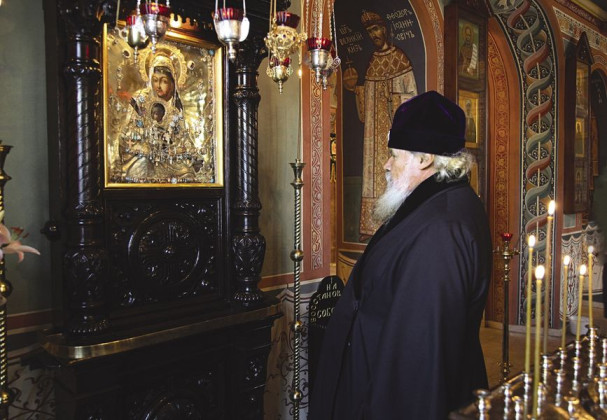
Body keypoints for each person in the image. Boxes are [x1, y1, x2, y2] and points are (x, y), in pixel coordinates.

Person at [309, 91, 492, 420]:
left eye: (394, 155)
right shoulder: (433, 206)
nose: (386, 164)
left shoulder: (441, 231)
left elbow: (419, 362)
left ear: (424, 159)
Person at [345, 10, 418, 240]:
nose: (374, 35)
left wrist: (393, 98)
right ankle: (371, 226)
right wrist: (355, 89)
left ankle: (394, 224)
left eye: (376, 29)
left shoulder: (401, 58)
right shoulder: (372, 62)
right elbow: (366, 102)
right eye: (370, 32)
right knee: (373, 172)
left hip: (394, 133)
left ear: (385, 29)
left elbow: (413, 99)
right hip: (373, 134)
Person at [116, 53, 202, 184]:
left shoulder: (174, 108)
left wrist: (193, 154)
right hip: (143, 155)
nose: (158, 85)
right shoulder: (140, 100)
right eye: (155, 80)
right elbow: (128, 133)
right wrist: (146, 144)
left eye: (164, 81)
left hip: (166, 160)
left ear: (172, 83)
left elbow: (183, 138)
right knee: (143, 167)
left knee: (187, 172)